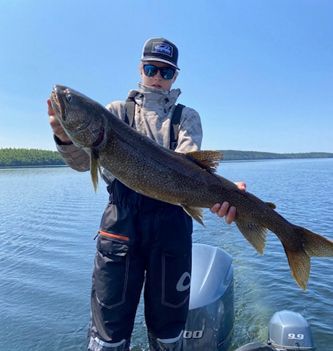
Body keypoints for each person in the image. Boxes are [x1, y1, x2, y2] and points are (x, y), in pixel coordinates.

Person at [48, 37, 246, 351]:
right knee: (108, 333)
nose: (157, 77)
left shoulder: (187, 117)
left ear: (175, 77)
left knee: (169, 330)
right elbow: (83, 163)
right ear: (140, 68)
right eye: (151, 68)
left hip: (172, 225)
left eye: (166, 72)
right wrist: (65, 138)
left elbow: (190, 169)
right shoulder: (115, 113)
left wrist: (224, 194)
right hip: (121, 226)